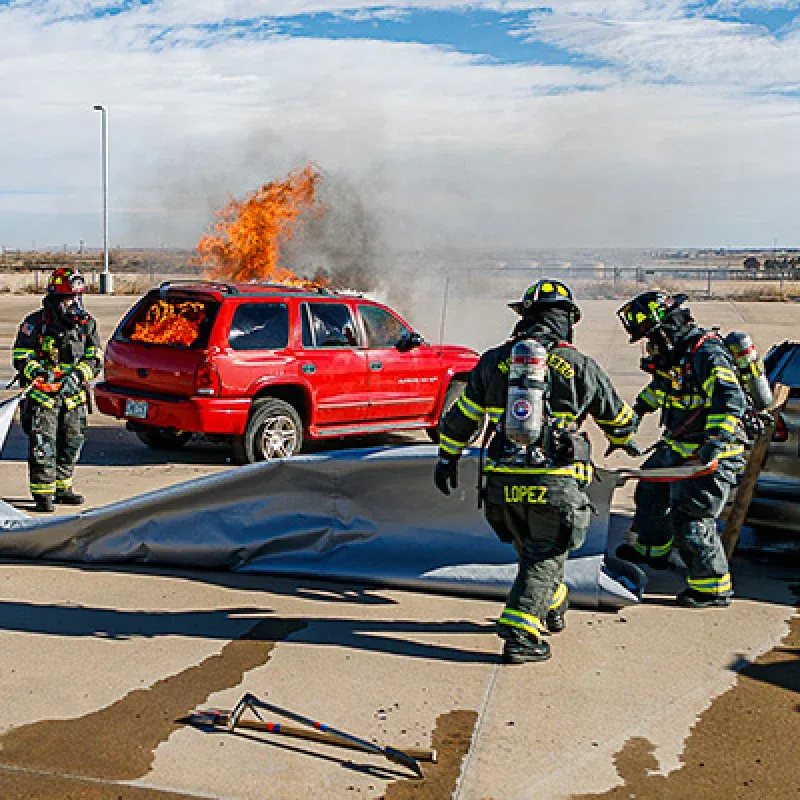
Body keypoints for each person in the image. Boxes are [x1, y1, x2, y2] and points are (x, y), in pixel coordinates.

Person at [434, 280, 638, 665]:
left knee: (533, 552)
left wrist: (447, 458)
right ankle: (521, 634)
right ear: (568, 321)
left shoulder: (493, 361)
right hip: (553, 484)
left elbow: (461, 418)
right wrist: (626, 440)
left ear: (525, 317)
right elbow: (619, 420)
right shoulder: (580, 365)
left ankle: (552, 605)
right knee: (545, 554)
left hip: (499, 485)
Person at [614, 291, 747, 608]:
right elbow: (663, 386)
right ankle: (652, 550)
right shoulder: (677, 355)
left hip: (713, 454)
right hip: (679, 446)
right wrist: (636, 414)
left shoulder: (708, 354)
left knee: (691, 518)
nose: (650, 346)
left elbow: (731, 401)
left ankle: (712, 587)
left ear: (664, 328)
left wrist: (716, 442)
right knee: (649, 487)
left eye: (651, 337)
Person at [12, 267, 101, 513]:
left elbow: (95, 358)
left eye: (77, 297)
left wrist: (78, 375)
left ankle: (63, 488)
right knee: (44, 447)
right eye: (67, 298)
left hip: (73, 399)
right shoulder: (34, 324)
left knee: (71, 444)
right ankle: (43, 494)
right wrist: (38, 372)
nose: (73, 303)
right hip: (44, 400)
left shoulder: (87, 325)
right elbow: (21, 355)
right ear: (54, 298)